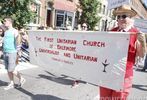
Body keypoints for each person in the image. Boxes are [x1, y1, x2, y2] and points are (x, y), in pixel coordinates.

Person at [99, 5, 146, 100]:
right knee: (104, 97)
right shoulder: (112, 32)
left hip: (124, 75)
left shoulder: (136, 33)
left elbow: (141, 54)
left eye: (124, 16)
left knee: (118, 98)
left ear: (130, 17)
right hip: (108, 71)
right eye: (118, 17)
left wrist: (143, 42)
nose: (120, 19)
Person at [3, 17, 26, 90]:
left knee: (11, 69)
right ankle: (11, 83)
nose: (4, 23)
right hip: (5, 52)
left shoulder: (15, 31)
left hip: (12, 52)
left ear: (10, 22)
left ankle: (21, 78)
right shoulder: (6, 31)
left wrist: (19, 51)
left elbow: (18, 41)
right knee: (8, 69)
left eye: (5, 21)